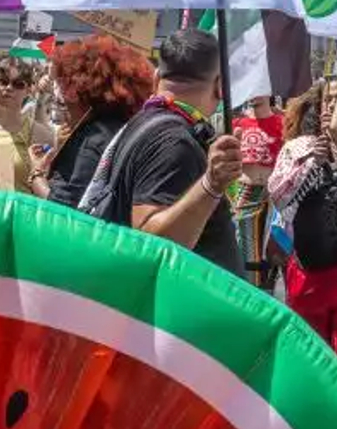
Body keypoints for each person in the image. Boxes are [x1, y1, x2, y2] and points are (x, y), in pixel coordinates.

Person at [77, 29, 243, 274]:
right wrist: (210, 185)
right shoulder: (173, 141)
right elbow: (151, 243)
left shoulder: (149, 123)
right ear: (220, 86)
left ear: (156, 78)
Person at [269, 77, 337, 361]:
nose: (333, 104)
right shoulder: (297, 148)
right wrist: (310, 164)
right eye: (328, 99)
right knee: (308, 358)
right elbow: (278, 197)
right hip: (308, 274)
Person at [27, 35, 150, 208]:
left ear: (75, 89)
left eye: (60, 83)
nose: (57, 92)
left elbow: (64, 210)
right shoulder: (122, 126)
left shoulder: (92, 140)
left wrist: (36, 175)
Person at [231, 93, 287, 288]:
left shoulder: (283, 122)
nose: (254, 95)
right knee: (247, 252)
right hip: (246, 194)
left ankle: (269, 291)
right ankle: (250, 293)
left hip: (275, 194)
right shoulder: (237, 123)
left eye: (259, 90)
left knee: (276, 250)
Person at [0, 53, 55, 189]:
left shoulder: (41, 134)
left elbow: (45, 186)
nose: (9, 88)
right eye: (2, 82)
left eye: (18, 84)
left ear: (28, 90)